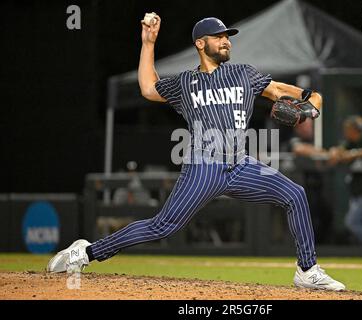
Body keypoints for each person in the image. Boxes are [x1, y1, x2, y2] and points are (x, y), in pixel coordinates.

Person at [47, 15, 345, 291]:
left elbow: (279, 89)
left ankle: (307, 270)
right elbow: (149, 88)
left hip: (240, 165)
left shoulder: (244, 74)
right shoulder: (186, 83)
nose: (226, 40)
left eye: (228, 36)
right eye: (219, 37)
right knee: (162, 226)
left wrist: (312, 96)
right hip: (203, 167)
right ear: (200, 43)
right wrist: (148, 43)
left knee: (295, 194)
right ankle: (85, 252)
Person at [328, 116, 362, 245]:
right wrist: (335, 152)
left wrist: (353, 154)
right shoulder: (350, 142)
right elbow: (338, 152)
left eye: (348, 130)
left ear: (355, 130)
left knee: (352, 222)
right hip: (357, 190)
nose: (346, 132)